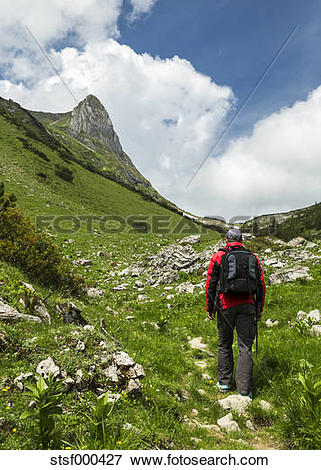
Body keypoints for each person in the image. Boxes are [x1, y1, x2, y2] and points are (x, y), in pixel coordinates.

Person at [205, 228, 265, 397]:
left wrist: (210, 308)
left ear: (226, 240)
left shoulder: (219, 256)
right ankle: (244, 391)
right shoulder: (252, 257)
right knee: (245, 347)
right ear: (241, 240)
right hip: (248, 307)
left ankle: (224, 383)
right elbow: (261, 286)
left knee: (224, 344)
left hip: (225, 307)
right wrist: (258, 310)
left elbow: (210, 284)